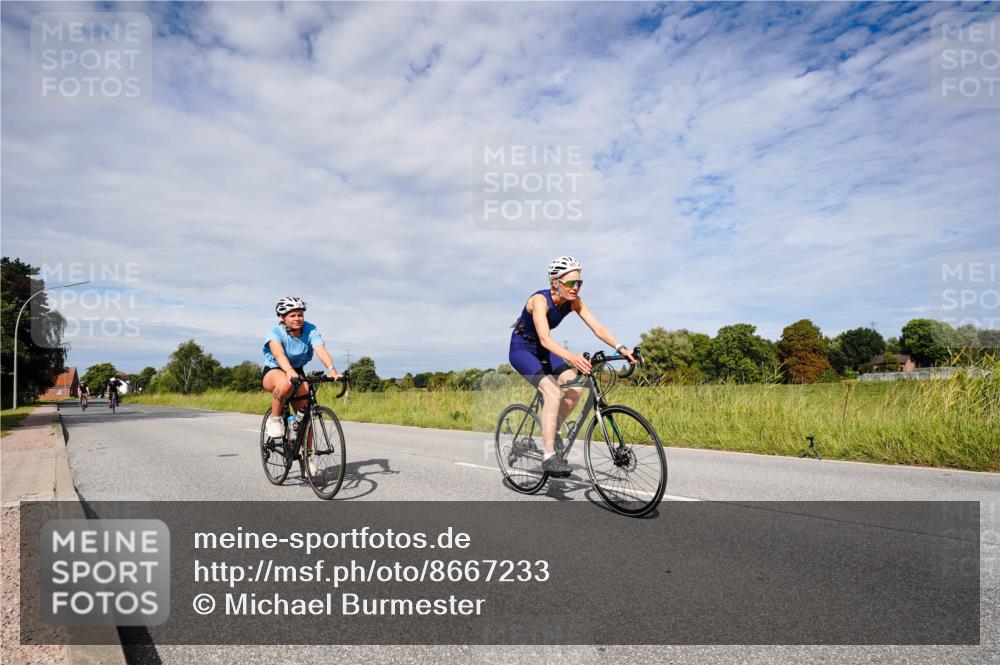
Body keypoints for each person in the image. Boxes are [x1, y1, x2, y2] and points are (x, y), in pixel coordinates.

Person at [508, 256, 635, 476]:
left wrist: (621, 347)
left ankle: (552, 429)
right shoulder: (539, 301)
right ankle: (549, 456)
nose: (576, 288)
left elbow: (597, 328)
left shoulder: (575, 301)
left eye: (579, 283)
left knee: (575, 388)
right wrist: (572, 357)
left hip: (544, 350)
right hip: (523, 349)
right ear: (555, 282)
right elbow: (546, 339)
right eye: (570, 283)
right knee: (553, 391)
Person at [261, 298, 340, 470]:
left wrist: (332, 369)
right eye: (292, 315)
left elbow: (320, 349)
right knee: (285, 383)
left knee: (305, 416)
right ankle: (274, 420)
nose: (297, 318)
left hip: (297, 371)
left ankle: (308, 456)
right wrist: (288, 370)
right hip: (274, 370)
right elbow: (279, 354)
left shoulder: (310, 329)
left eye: (300, 314)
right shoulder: (275, 331)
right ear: (283, 318)